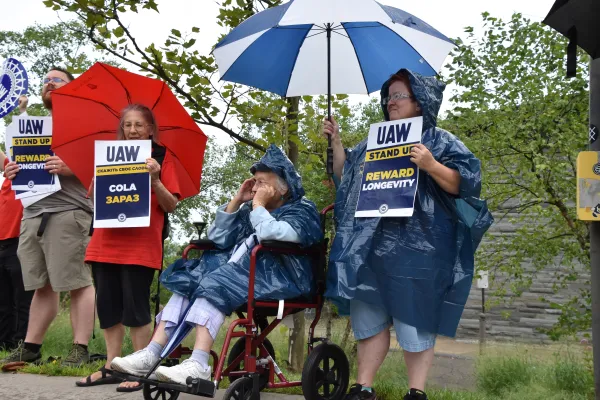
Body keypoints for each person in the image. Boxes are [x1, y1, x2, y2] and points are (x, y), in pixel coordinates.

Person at [323, 69, 493, 400]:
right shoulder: (376, 141)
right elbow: (346, 173)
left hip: (421, 249)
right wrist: (337, 141)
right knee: (369, 315)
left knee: (414, 321)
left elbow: (466, 185)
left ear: (420, 101)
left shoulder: (441, 141)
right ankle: (364, 388)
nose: (391, 102)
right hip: (372, 247)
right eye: (389, 96)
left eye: (399, 95)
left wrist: (430, 164)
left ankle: (416, 392)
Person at [109, 144, 323, 385]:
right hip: (246, 274)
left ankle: (199, 363)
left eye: (262, 182)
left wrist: (258, 206)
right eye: (255, 181)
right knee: (191, 277)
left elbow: (271, 234)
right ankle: (152, 353)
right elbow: (217, 238)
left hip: (283, 279)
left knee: (216, 281)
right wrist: (237, 201)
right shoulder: (250, 209)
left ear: (283, 186)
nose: (256, 187)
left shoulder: (302, 210)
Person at [76, 104, 179, 391]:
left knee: (136, 308)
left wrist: (155, 179)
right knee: (108, 306)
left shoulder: (161, 157)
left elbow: (171, 203)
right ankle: (112, 366)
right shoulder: (108, 156)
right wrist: (99, 181)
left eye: (139, 125)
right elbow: (95, 200)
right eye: (128, 125)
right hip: (104, 242)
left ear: (150, 129)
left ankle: (139, 367)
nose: (132, 130)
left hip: (141, 245)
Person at [0, 67, 96, 368]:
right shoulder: (30, 127)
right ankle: (30, 347)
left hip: (69, 212)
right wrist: (11, 169)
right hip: (33, 213)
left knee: (78, 282)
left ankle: (80, 349)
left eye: (57, 80)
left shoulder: (83, 125)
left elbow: (104, 168)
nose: (48, 84)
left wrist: (71, 167)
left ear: (71, 88)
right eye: (45, 81)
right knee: (41, 285)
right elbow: (16, 165)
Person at [0, 96, 33, 352]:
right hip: (1, 242)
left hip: (20, 240)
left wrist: (23, 112)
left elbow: (28, 139)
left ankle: (21, 344)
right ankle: (4, 343)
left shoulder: (31, 177)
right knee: (3, 299)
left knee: (22, 298)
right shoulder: (9, 170)